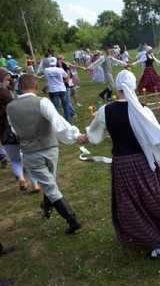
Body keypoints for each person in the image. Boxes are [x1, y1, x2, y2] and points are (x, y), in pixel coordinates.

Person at [86, 70, 160, 259]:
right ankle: (158, 231)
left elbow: (94, 135)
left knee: (130, 204)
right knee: (150, 199)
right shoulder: (143, 110)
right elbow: (159, 142)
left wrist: (84, 136)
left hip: (122, 165)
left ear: (117, 87)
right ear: (133, 86)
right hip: (143, 163)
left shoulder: (106, 111)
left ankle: (157, 244)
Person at [7, 74, 86, 234]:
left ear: (19, 88)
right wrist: (74, 135)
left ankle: (46, 205)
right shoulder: (42, 102)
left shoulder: (10, 107)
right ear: (36, 87)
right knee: (50, 185)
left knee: (50, 184)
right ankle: (72, 220)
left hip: (30, 151)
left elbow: (14, 129)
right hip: (50, 148)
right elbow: (57, 121)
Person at [0, 85, 40, 192]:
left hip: (6, 139)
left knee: (15, 160)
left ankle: (21, 178)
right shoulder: (15, 107)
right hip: (20, 135)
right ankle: (35, 184)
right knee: (29, 158)